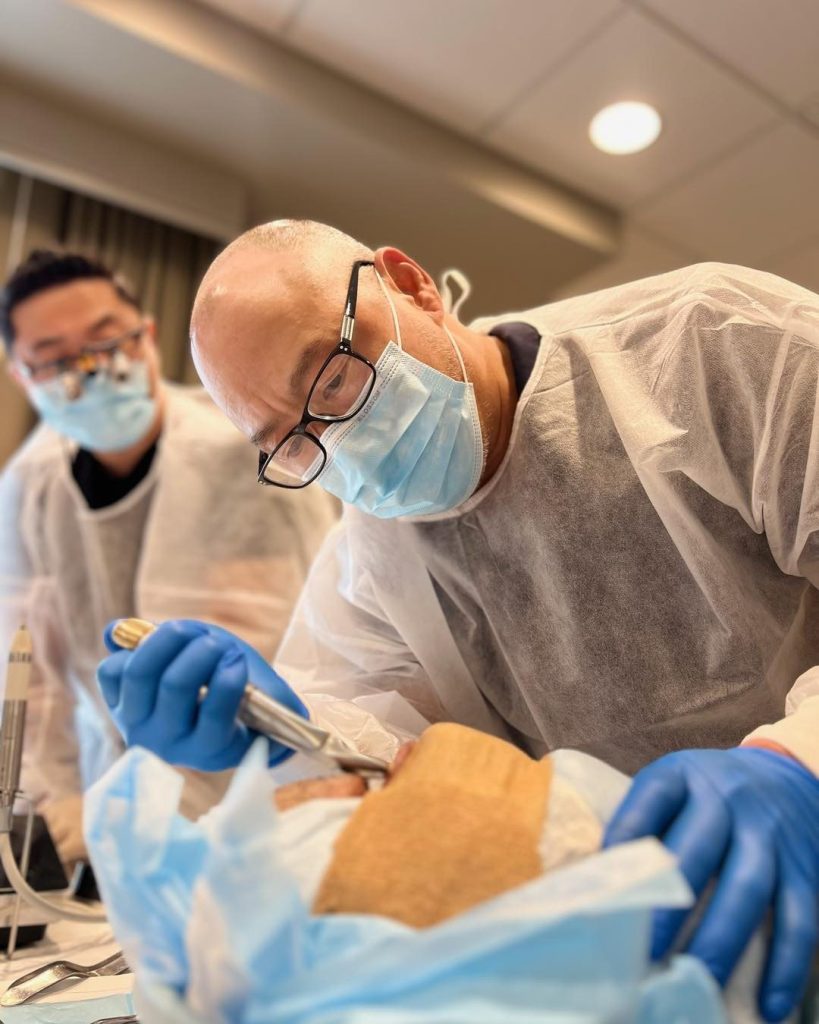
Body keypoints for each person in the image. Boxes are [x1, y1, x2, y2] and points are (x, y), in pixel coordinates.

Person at [98, 221, 819, 1022]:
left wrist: (797, 769)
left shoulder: (715, 346)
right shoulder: (373, 557)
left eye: (333, 379)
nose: (342, 445)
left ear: (411, 285)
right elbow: (362, 763)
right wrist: (261, 745)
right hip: (642, 937)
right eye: (292, 442)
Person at [0, 249, 337, 870]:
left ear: (149, 336)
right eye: (54, 358)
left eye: (108, 340)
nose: (92, 370)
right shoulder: (28, 487)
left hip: (261, 786)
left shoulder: (243, 455)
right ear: (22, 375)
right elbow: (32, 681)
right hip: (106, 803)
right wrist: (46, 813)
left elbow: (288, 644)